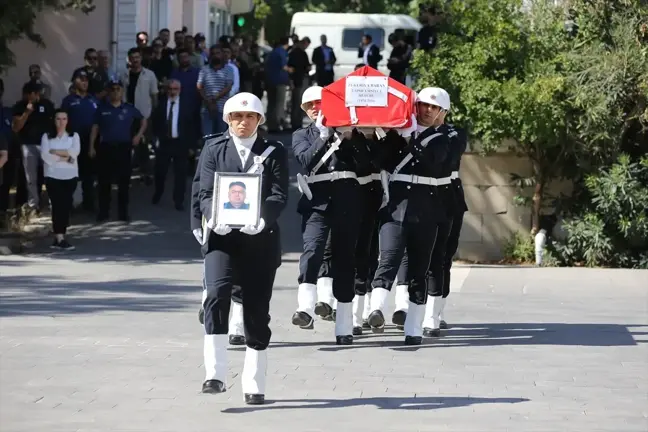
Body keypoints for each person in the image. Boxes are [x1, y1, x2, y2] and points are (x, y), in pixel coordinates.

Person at [197, 92, 288, 404]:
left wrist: (262, 219)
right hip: (222, 239)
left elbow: (278, 194)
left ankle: (254, 381)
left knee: (256, 311)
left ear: (259, 120)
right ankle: (215, 374)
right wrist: (212, 216)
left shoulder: (274, 151)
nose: (243, 122)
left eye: (249, 117)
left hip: (260, 240)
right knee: (216, 295)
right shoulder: (213, 148)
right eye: (237, 116)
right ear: (228, 119)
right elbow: (205, 191)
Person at [366, 90, 450, 345]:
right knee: (388, 258)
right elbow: (377, 159)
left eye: (433, 108)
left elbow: (434, 163)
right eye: (422, 105)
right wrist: (383, 134)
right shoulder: (398, 134)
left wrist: (410, 140)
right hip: (395, 207)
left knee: (418, 269)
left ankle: (413, 326)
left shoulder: (446, 137)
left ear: (442, 113)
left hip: (426, 210)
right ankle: (375, 309)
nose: (426, 110)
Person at [291, 86, 366, 345]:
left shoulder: (349, 131)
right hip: (318, 201)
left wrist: (353, 136)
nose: (314, 108)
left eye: (319, 103)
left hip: (347, 200)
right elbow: (306, 161)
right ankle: (305, 308)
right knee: (312, 251)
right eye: (309, 105)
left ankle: (344, 323)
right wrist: (324, 136)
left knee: (345, 261)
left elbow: (368, 162)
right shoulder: (303, 134)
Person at [89, 79, 147, 222]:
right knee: (104, 182)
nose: (115, 91)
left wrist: (138, 135)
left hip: (124, 148)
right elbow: (95, 128)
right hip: (106, 148)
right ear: (108, 91)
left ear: (122, 91)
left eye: (118, 89)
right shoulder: (102, 109)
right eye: (113, 89)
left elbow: (143, 120)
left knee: (124, 182)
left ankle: (123, 213)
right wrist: (91, 146)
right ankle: (103, 212)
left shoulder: (129, 108)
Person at [12, 81, 55, 213]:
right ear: (28, 94)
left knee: (51, 175)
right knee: (31, 178)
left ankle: (53, 202)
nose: (38, 95)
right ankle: (33, 204)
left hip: (46, 144)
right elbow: (16, 127)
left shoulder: (46, 104)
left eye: (39, 93)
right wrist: (27, 113)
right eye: (35, 93)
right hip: (28, 145)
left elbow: (54, 122)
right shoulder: (19, 106)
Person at [40, 109, 80, 250]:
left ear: (68, 120)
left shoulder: (73, 136)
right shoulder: (47, 136)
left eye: (64, 119)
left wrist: (55, 152)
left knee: (66, 205)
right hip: (53, 175)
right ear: (54, 120)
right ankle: (60, 236)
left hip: (70, 175)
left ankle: (60, 235)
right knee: (57, 206)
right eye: (58, 119)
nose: (61, 122)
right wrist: (66, 157)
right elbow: (46, 156)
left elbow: (74, 153)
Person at [61, 68, 98, 212]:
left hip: (90, 143)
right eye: (81, 79)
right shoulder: (68, 101)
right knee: (71, 175)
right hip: (72, 143)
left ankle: (89, 204)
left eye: (86, 80)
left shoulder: (93, 99)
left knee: (89, 175)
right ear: (74, 81)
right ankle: (69, 205)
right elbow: (62, 122)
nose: (84, 82)